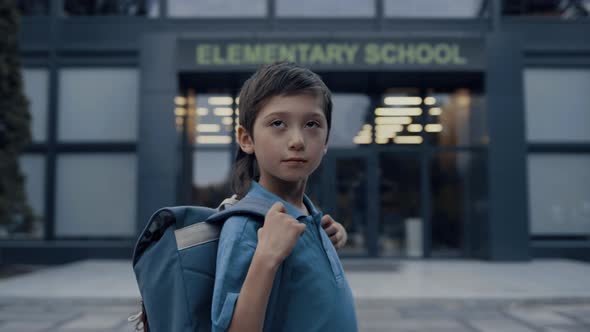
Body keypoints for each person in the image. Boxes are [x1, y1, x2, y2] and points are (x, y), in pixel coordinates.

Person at [211, 62, 358, 332]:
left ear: (326, 141)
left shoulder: (307, 214)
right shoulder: (247, 227)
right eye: (278, 123)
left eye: (312, 124)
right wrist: (266, 257)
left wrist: (329, 237)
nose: (297, 140)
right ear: (246, 139)